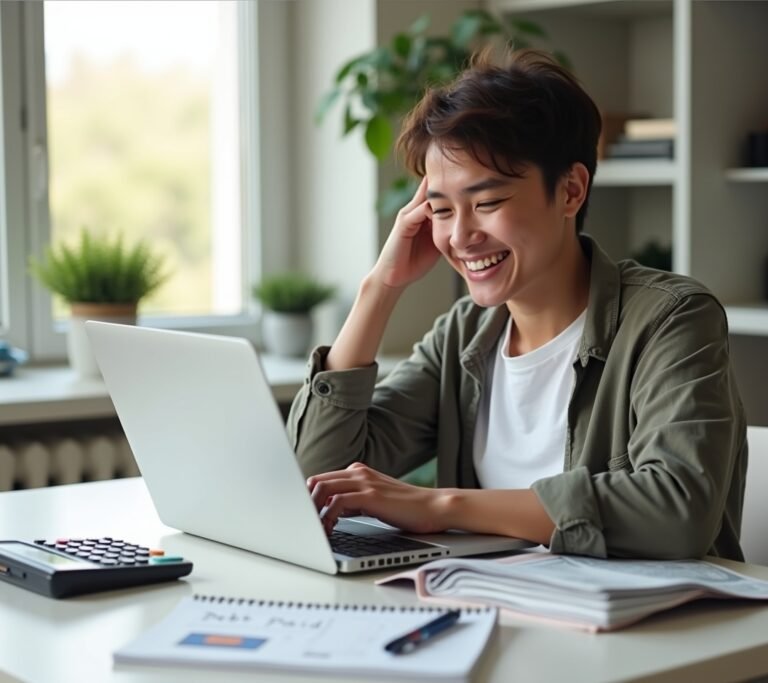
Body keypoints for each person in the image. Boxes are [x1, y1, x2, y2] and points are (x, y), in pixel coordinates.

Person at [287, 48, 747, 561]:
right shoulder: (465, 334)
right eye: (440, 210)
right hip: (496, 611)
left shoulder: (670, 319)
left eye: (487, 203)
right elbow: (315, 476)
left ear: (570, 191)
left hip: (655, 631)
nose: (460, 235)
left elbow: (677, 510)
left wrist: (442, 505)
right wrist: (380, 287)